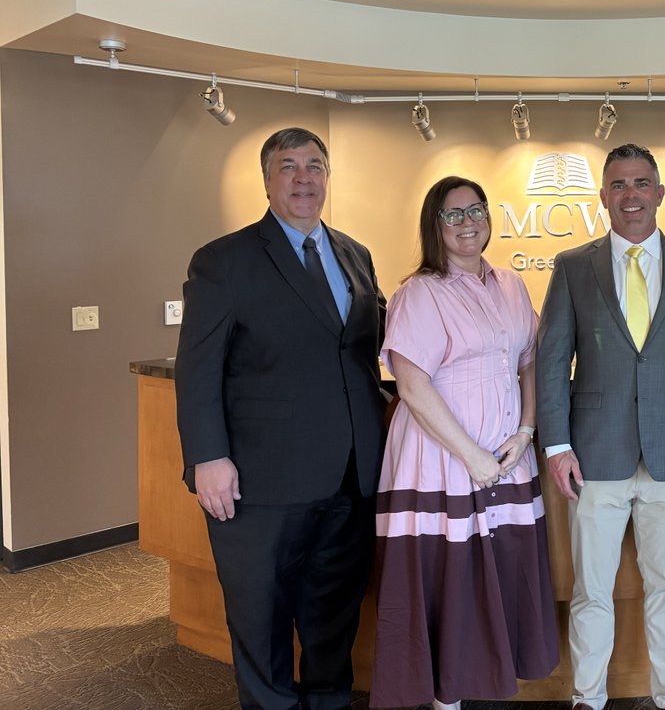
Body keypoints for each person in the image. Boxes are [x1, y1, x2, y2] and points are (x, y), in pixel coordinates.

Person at [175, 127, 388, 710]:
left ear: (327, 177)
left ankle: (328, 701)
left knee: (334, 612)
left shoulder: (355, 254)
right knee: (261, 617)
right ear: (267, 181)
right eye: (288, 166)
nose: (303, 178)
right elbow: (198, 370)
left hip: (350, 476)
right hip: (260, 480)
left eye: (314, 166)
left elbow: (365, 350)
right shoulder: (224, 261)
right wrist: (207, 457)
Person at [536, 143, 665, 710]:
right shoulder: (574, 267)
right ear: (603, 196)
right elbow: (553, 360)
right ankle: (587, 697)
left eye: (641, 183)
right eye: (619, 185)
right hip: (594, 455)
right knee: (590, 592)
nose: (631, 195)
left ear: (659, 192)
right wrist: (556, 444)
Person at [370, 176, 559, 710]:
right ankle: (442, 698)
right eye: (453, 214)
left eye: (476, 210)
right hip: (442, 458)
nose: (467, 222)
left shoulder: (510, 285)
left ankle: (473, 683)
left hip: (506, 456)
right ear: (434, 225)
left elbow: (529, 360)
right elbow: (411, 385)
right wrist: (471, 455)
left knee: (493, 571)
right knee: (447, 577)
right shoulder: (419, 293)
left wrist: (526, 430)